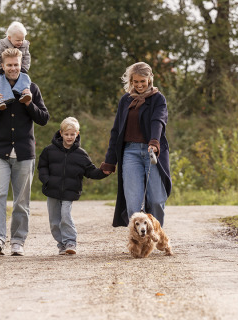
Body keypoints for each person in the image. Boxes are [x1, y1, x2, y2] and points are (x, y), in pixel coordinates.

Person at [0, 47, 50, 256]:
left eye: (16, 65)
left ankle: (18, 241)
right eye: (9, 65)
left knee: (21, 201)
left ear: (21, 65)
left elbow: (44, 118)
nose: (13, 68)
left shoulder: (31, 88)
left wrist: (29, 104)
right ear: (2, 66)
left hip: (25, 154)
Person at [100, 62, 172, 228]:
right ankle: (138, 243)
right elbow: (116, 131)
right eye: (136, 81)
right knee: (133, 204)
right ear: (131, 81)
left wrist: (154, 141)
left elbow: (158, 120)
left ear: (150, 80)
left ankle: (156, 236)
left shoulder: (158, 98)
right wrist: (110, 161)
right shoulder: (125, 100)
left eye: (143, 81)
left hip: (153, 153)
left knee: (156, 200)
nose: (139, 85)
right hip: (130, 153)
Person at [37, 117, 108, 255]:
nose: (69, 137)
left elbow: (90, 171)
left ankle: (70, 242)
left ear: (77, 134)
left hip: (70, 192)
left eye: (72, 134)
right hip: (52, 190)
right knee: (54, 221)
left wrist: (103, 172)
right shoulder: (49, 151)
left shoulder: (81, 154)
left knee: (65, 215)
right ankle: (61, 244)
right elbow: (42, 167)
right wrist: (47, 180)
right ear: (61, 133)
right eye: (66, 134)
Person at [0, 21, 32, 110]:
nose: (20, 42)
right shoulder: (2, 44)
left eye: (22, 39)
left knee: (25, 78)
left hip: (20, 71)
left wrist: (24, 68)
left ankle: (24, 93)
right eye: (18, 40)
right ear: (9, 38)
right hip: (2, 70)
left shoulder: (24, 45)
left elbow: (27, 57)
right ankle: (1, 100)